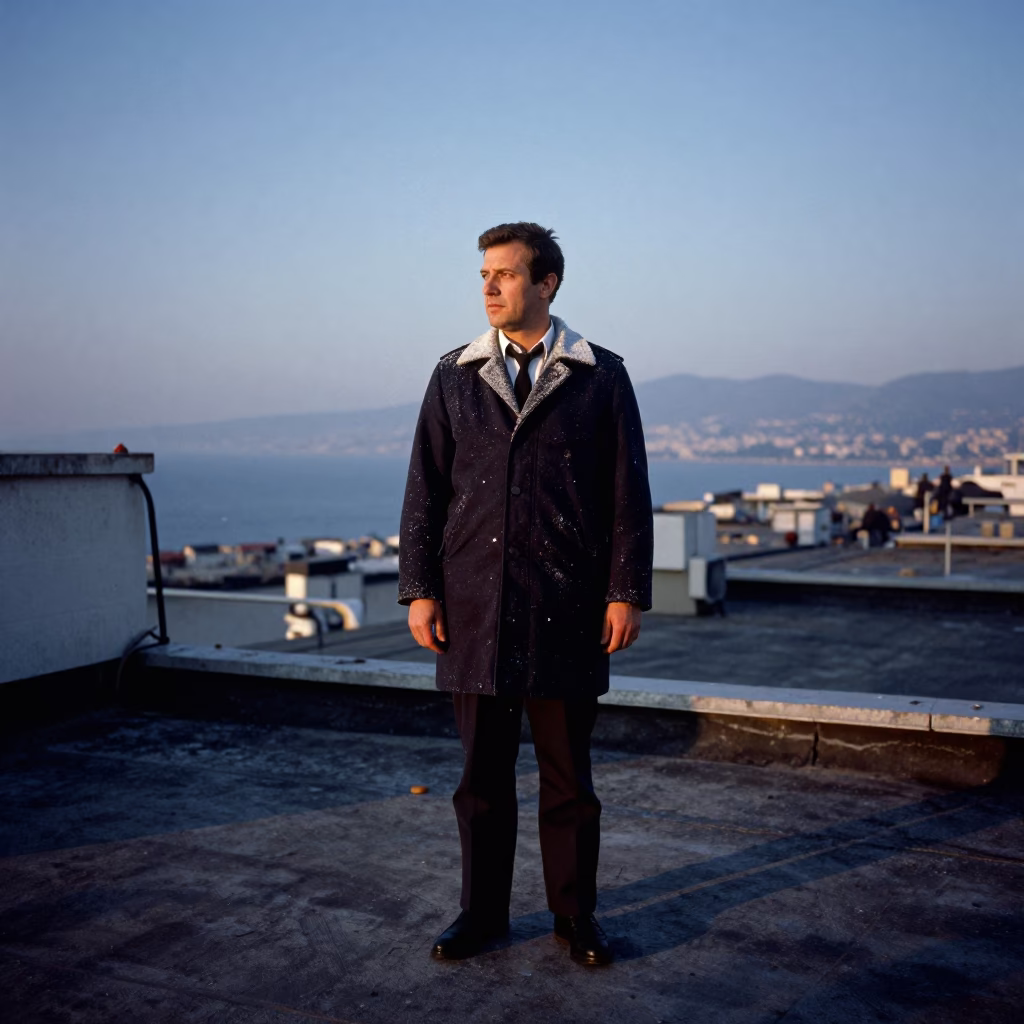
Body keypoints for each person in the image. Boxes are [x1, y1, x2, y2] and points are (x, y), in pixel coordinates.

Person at [399, 222, 653, 967]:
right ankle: (480, 914)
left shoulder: (601, 376)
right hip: (473, 608)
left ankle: (576, 918)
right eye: (484, 273)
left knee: (568, 780)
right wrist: (420, 589)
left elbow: (627, 496)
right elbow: (425, 487)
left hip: (568, 608)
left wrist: (624, 591)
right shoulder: (453, 374)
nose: (488, 287)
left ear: (546, 284)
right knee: (479, 780)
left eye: (505, 274)